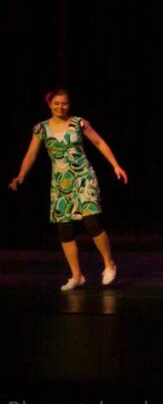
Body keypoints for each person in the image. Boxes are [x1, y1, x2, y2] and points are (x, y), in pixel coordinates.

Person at [8, 90, 128, 290]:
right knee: (65, 229)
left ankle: (109, 264)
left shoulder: (78, 123)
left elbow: (99, 142)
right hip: (60, 182)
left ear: (69, 104)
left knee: (91, 221)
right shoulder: (41, 129)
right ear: (50, 104)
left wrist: (115, 165)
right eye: (56, 103)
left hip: (83, 178)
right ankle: (76, 275)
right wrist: (20, 176)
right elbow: (31, 154)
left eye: (64, 103)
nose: (60, 107)